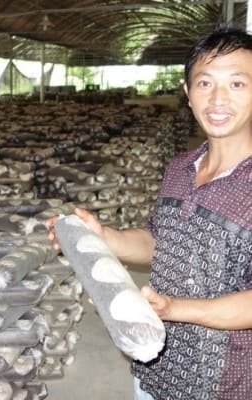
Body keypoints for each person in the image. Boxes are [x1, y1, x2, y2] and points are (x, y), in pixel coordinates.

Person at [47, 27, 252, 400]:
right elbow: (159, 242)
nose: (218, 99)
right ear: (188, 94)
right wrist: (104, 236)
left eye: (237, 84)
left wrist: (175, 308)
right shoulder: (180, 166)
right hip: (153, 372)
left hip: (224, 383)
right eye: (205, 83)